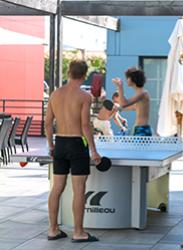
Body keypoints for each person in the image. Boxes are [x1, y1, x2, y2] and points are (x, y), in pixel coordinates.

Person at [45, 60, 101, 243]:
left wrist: (51, 146)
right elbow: (85, 126)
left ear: (68, 72)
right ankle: (78, 232)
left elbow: (47, 124)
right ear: (85, 75)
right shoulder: (84, 97)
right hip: (77, 144)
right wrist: (94, 151)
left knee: (57, 188)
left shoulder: (55, 94)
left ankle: (53, 229)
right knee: (79, 190)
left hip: (60, 142)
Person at [112, 67, 152, 136]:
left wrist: (120, 87)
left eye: (128, 78)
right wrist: (114, 107)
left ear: (133, 79)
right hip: (139, 129)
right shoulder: (140, 97)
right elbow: (123, 107)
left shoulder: (143, 94)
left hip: (142, 130)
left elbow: (123, 104)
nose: (126, 80)